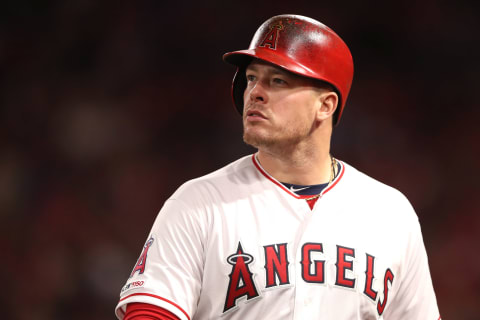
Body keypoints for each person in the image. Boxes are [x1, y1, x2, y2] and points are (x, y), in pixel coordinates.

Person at [115, 14, 441, 320]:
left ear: (325, 105)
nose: (255, 92)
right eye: (253, 78)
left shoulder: (391, 213)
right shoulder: (199, 203)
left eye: (279, 81)